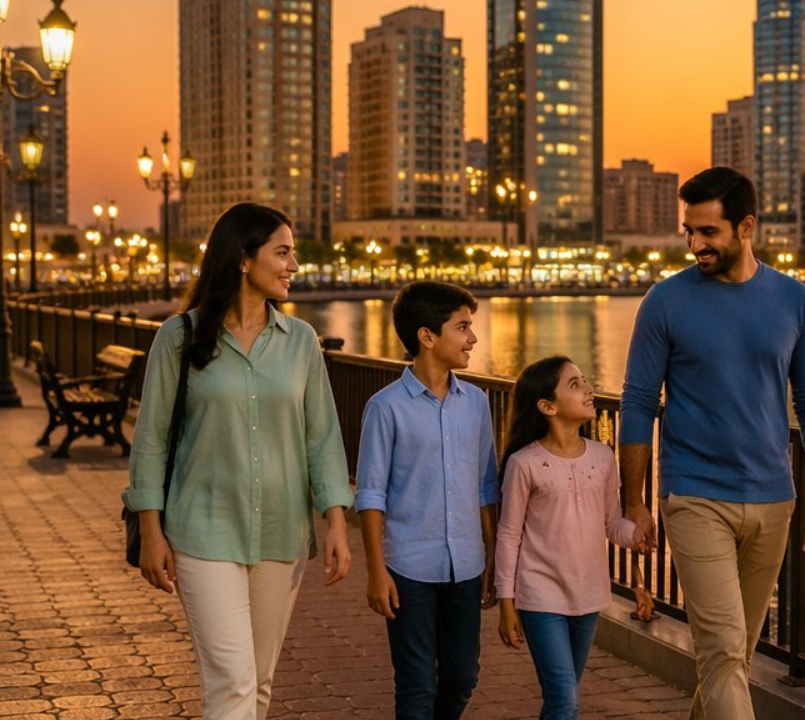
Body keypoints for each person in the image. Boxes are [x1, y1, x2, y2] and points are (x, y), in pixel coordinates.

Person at [618, 166, 805, 719]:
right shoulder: (664, 303)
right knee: (720, 651)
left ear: (746, 227)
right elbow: (639, 403)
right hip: (694, 497)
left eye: (708, 232)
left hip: (774, 500)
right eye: (689, 231)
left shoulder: (794, 301)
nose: (695, 244)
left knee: (732, 658)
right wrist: (635, 501)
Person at [123, 202, 353, 720]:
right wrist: (151, 529)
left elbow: (323, 438)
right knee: (232, 681)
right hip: (202, 531)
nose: (294, 265)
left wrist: (336, 520)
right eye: (283, 251)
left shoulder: (301, 343)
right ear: (243, 259)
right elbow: (152, 440)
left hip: (281, 532)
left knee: (261, 681)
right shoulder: (178, 337)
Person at [355, 281, 500, 720]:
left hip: (466, 565)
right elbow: (371, 495)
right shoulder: (385, 408)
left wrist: (492, 559)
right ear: (427, 336)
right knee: (416, 685)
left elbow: (485, 487)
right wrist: (376, 572)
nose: (472, 338)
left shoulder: (476, 403)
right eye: (462, 327)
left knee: (461, 676)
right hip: (408, 566)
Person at [493, 356, 642, 720]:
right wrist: (506, 602)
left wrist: (639, 535)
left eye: (585, 380)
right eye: (574, 384)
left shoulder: (603, 457)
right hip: (540, 595)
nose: (588, 389)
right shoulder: (524, 464)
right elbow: (509, 535)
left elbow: (611, 524)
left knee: (563, 698)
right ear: (547, 406)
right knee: (565, 702)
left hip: (589, 594)